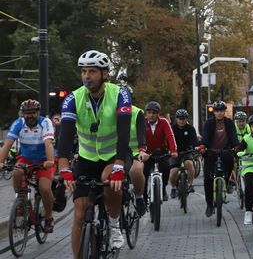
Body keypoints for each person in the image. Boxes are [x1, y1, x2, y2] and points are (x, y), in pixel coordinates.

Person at [57, 50, 132, 256]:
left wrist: (119, 164)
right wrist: (63, 166)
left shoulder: (120, 94)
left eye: (92, 71)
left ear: (105, 74)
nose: (86, 76)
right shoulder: (73, 98)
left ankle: (115, 226)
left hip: (114, 154)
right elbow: (65, 133)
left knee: (110, 180)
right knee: (80, 212)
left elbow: (124, 131)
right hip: (87, 158)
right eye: (83, 71)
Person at [0, 99, 56, 233]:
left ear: (38, 112)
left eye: (32, 113)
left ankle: (49, 218)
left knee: (44, 188)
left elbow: (48, 143)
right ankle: (21, 200)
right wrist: (1, 162)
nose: (29, 116)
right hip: (26, 158)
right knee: (16, 172)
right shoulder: (18, 123)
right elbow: (7, 144)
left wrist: (50, 160)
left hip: (43, 160)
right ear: (22, 114)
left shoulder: (45, 122)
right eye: (26, 113)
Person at [198, 100, 239, 217]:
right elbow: (205, 137)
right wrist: (203, 146)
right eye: (217, 111)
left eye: (221, 110)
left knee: (230, 163)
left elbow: (233, 136)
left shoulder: (229, 123)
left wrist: (236, 146)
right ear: (214, 112)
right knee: (207, 179)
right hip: (211, 152)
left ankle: (225, 184)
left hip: (225, 151)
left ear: (224, 111)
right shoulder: (209, 123)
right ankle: (209, 205)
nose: (219, 113)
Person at [143, 101, 177, 202]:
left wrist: (173, 150)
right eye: (149, 113)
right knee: (143, 173)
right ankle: (143, 196)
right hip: (146, 152)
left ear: (158, 114)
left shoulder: (164, 122)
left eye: (154, 113)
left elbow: (170, 136)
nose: (151, 115)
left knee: (166, 167)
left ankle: (163, 189)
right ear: (146, 114)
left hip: (161, 151)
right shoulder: (143, 122)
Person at [169, 109, 197, 198]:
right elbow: (167, 140)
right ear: (176, 119)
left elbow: (194, 141)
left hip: (187, 152)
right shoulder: (172, 129)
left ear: (186, 119)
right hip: (174, 153)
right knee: (174, 171)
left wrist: (192, 147)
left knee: (189, 164)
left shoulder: (190, 129)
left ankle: (190, 184)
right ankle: (173, 188)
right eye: (180, 118)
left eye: (183, 118)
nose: (181, 120)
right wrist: (170, 150)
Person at [128, 104, 149, 215]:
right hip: (115, 151)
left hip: (135, 151)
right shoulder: (108, 111)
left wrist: (142, 150)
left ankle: (139, 197)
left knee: (135, 171)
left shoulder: (137, 113)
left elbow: (141, 134)